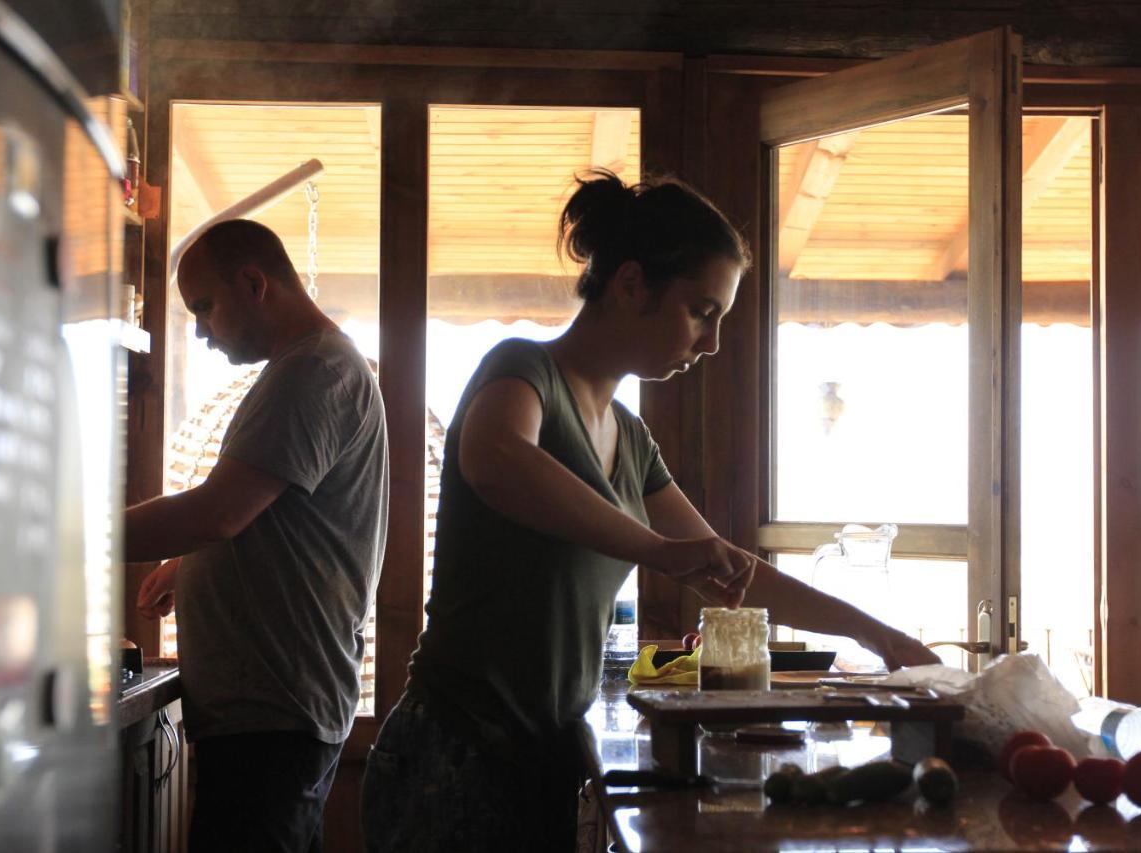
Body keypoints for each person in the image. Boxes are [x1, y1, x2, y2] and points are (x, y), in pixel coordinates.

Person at [360, 170, 937, 852]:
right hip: (452, 754)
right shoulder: (523, 370)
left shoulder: (631, 438)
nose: (711, 341)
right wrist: (656, 549)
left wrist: (881, 637)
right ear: (631, 283)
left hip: (539, 762)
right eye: (702, 311)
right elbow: (493, 458)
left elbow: (731, 569)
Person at [125, 219, 388, 853]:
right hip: (271, 711)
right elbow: (276, 521)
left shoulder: (314, 372)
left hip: (274, 713)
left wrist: (67, 537)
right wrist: (191, 569)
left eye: (205, 306)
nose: (201, 329)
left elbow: (221, 511)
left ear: (253, 282)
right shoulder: (310, 369)